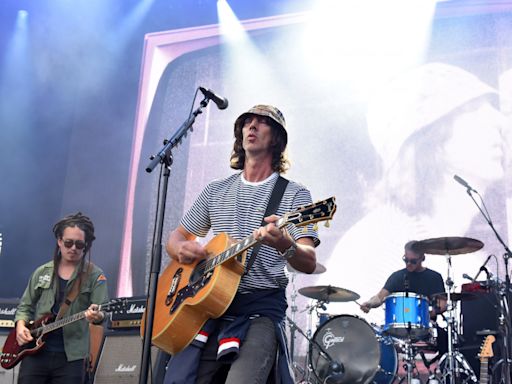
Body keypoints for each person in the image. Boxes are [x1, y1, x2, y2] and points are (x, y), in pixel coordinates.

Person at [163, 104, 319, 384]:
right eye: (248, 121)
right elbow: (176, 238)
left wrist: (284, 243)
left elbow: (308, 260)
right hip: (207, 307)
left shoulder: (295, 194)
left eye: (263, 122)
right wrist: (180, 249)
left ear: (277, 139)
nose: (253, 126)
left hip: (259, 308)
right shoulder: (216, 189)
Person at [14, 212, 109, 384]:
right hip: (34, 353)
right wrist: (21, 327)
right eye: (68, 242)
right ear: (59, 241)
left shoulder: (95, 275)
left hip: (71, 358)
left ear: (86, 245)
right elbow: (24, 307)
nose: (73, 248)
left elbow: (104, 311)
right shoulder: (42, 272)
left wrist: (98, 316)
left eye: (79, 244)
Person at [360, 240, 446, 316]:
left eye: (413, 261)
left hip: (425, 326)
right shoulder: (397, 276)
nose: (408, 263)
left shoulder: (434, 277)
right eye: (406, 260)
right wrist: (369, 304)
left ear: (422, 258)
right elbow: (379, 297)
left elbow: (442, 304)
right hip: (398, 327)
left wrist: (427, 314)